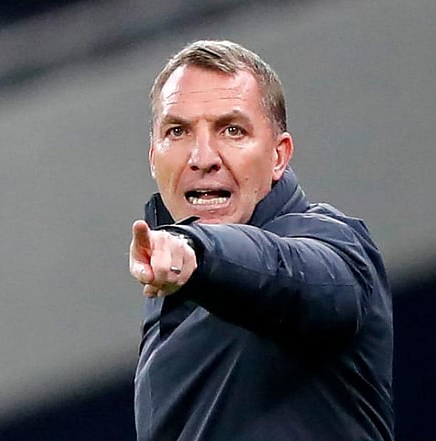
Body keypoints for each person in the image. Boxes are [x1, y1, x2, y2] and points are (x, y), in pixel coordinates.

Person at [128, 40, 394, 441]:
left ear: (278, 156)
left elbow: (289, 275)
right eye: (178, 131)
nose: (203, 157)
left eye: (231, 130)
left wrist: (196, 250)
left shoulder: (337, 246)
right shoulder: (169, 291)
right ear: (153, 157)